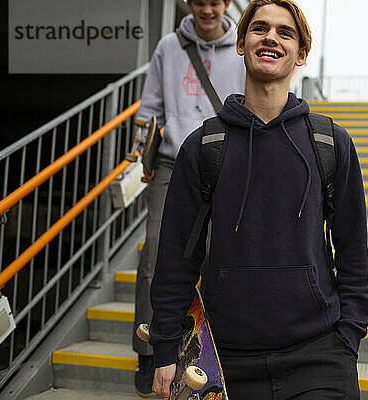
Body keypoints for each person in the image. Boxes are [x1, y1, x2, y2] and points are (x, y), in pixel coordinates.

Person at [150, 0, 368, 399]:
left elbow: (354, 251)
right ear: (241, 42)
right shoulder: (203, 147)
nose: (271, 37)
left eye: (285, 33)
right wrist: (166, 348)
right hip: (225, 361)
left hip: (320, 358)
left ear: (301, 54)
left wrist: (349, 337)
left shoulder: (330, 144)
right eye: (260, 28)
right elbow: (174, 260)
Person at [132, 0, 245, 396]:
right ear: (189, 3)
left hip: (225, 166)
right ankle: (148, 349)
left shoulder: (242, 48)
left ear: (226, 3)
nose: (207, 10)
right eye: (200, 2)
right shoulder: (168, 47)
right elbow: (149, 109)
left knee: (219, 258)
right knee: (155, 257)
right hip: (171, 162)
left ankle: (210, 354)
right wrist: (138, 154)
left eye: (214, 2)